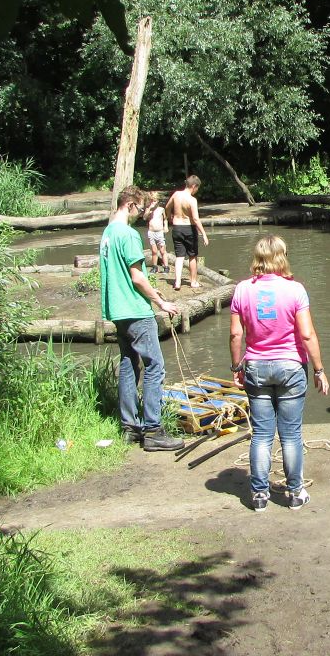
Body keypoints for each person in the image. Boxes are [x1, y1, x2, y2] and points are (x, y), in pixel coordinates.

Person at [229, 234, 329, 512]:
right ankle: (295, 492)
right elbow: (307, 335)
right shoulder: (295, 290)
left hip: (256, 367)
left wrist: (237, 366)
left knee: (261, 434)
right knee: (291, 434)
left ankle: (259, 495)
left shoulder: (241, 290)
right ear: (282, 257)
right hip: (290, 367)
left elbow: (237, 334)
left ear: (257, 258)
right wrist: (319, 370)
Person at [99, 186, 185, 452]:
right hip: (136, 310)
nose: (142, 215)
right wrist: (160, 302)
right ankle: (153, 430)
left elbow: (125, 274)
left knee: (128, 365)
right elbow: (137, 277)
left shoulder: (107, 233)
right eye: (141, 209)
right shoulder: (128, 233)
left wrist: (151, 288)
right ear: (131, 205)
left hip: (117, 310)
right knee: (154, 366)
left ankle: (129, 427)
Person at [165, 175, 209, 291]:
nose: (197, 191)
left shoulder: (176, 195)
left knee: (179, 256)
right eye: (197, 188)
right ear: (194, 186)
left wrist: (169, 217)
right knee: (192, 256)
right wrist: (204, 234)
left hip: (177, 228)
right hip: (189, 228)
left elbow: (167, 207)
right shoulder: (192, 200)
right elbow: (195, 219)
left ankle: (178, 282)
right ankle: (193, 282)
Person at [144, 191, 169, 274]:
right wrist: (149, 210)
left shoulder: (161, 209)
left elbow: (165, 219)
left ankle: (166, 266)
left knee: (162, 250)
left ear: (158, 201)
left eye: (154, 201)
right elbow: (144, 218)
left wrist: (166, 226)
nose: (152, 203)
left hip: (160, 232)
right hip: (151, 232)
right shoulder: (148, 209)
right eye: (151, 201)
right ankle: (155, 267)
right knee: (154, 251)